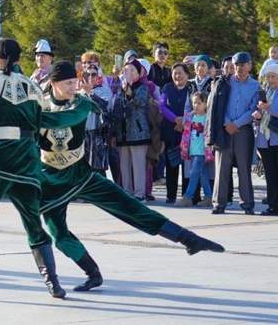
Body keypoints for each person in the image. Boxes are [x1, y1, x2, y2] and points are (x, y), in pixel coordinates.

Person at [36, 61, 223, 292]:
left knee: (130, 207)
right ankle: (93, 273)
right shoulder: (39, 105)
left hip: (80, 174)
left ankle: (188, 239)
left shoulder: (81, 103)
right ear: (53, 84)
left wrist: (28, 116)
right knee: (58, 234)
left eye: (75, 82)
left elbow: (62, 120)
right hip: (51, 180)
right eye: (68, 83)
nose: (74, 87)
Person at [0, 39, 95, 301]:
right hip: (27, 159)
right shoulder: (32, 86)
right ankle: (53, 284)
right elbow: (38, 121)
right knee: (33, 222)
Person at [207, 52, 258, 215]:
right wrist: (226, 122)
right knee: (222, 167)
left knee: (244, 168)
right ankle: (219, 203)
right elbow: (219, 106)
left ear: (250, 66)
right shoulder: (226, 82)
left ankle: (247, 203)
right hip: (225, 128)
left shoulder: (256, 85)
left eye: (244, 65)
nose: (240, 68)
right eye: (237, 65)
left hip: (243, 130)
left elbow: (253, 108)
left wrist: (236, 123)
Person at [116, 59, 152, 200]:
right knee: (124, 165)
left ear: (138, 73)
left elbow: (139, 102)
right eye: (126, 70)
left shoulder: (143, 87)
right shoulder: (121, 88)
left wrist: (129, 91)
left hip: (138, 131)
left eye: (132, 70)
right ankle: (127, 191)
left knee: (138, 165)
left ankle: (139, 193)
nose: (128, 73)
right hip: (123, 132)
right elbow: (117, 107)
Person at [159, 63, 191, 203]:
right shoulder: (167, 88)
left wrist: (184, 121)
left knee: (186, 164)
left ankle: (186, 195)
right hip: (170, 130)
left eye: (180, 73)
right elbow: (162, 106)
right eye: (175, 73)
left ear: (187, 75)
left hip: (188, 130)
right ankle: (170, 195)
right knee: (171, 163)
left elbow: (196, 106)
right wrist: (175, 119)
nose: (177, 76)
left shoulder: (191, 88)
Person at [178, 92, 214, 207]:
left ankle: (188, 196)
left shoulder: (207, 117)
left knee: (193, 173)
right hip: (193, 150)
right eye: (194, 103)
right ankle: (209, 197)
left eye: (199, 103)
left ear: (205, 104)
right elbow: (185, 129)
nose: (196, 105)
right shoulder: (191, 117)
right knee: (203, 175)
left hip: (202, 151)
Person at [253, 62, 278, 216]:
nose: (270, 79)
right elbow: (262, 109)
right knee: (270, 173)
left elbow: (273, 110)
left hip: (276, 137)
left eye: (273, 76)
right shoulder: (267, 90)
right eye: (268, 76)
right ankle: (272, 204)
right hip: (265, 138)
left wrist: (267, 108)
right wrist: (258, 114)